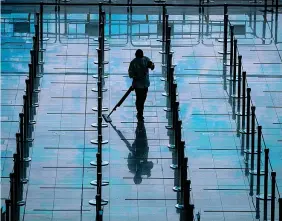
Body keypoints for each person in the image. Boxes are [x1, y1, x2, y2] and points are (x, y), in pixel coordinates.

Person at [128, 49, 155, 121]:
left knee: (139, 98)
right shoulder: (146, 59)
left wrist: (135, 76)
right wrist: (151, 65)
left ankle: (139, 112)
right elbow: (152, 66)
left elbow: (130, 74)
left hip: (138, 85)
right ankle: (140, 112)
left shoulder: (133, 62)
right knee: (142, 99)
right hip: (144, 84)